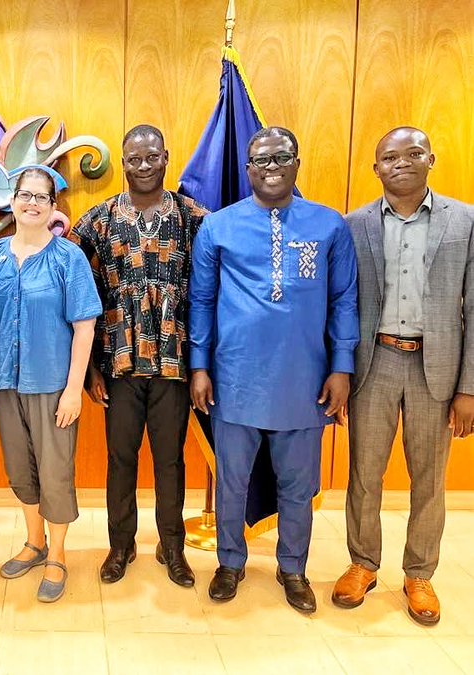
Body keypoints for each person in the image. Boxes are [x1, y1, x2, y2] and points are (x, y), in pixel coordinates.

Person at [190, 127, 359, 614]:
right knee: (232, 481)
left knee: (297, 485)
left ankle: (293, 569)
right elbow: (200, 301)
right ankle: (229, 563)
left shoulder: (328, 226)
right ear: (247, 169)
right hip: (234, 379)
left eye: (281, 157)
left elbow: (343, 299)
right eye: (260, 160)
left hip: (304, 380)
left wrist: (341, 366)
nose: (270, 167)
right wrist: (200, 365)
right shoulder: (218, 227)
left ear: (296, 163)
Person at [332, 127, 474, 626]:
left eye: (413, 153)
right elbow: (341, 304)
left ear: (431, 159)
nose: (402, 163)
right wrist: (341, 370)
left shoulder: (466, 222)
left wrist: (469, 389)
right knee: (364, 474)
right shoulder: (354, 226)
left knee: (429, 480)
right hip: (375, 363)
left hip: (436, 367)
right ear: (377, 169)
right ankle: (362, 564)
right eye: (390, 157)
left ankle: (419, 573)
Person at [69, 125, 205, 587]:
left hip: (174, 364)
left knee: (170, 461)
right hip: (118, 365)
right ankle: (120, 545)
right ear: (123, 163)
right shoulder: (97, 220)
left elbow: (213, 290)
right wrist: (87, 368)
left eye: (151, 157)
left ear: (166, 157)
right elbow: (76, 297)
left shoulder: (193, 217)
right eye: (133, 159)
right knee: (120, 459)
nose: (143, 166)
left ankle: (173, 547)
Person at [0, 167, 101, 602]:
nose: (31, 203)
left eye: (41, 197)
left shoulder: (67, 259)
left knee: (55, 472)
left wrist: (74, 389)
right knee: (19, 469)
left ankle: (59, 554)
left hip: (52, 385)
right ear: (11, 201)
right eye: (24, 195)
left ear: (53, 206)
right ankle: (35, 543)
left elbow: (84, 328)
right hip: (3, 382)